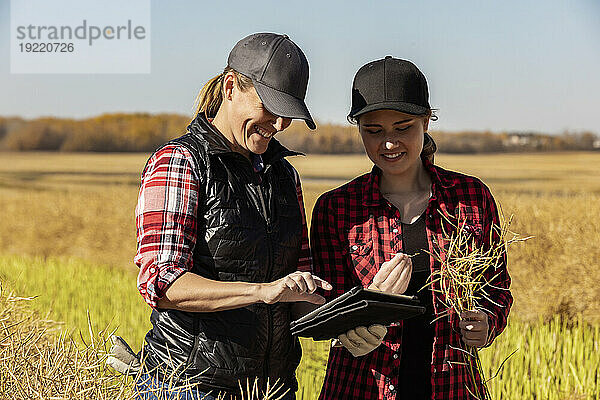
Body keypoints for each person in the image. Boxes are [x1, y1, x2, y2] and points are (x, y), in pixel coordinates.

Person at [133, 33, 331, 400]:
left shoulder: (285, 176)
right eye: (269, 107)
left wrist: (354, 312)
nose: (279, 124)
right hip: (189, 387)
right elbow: (162, 284)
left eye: (287, 114)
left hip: (272, 388)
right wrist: (262, 292)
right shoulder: (181, 162)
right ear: (230, 87)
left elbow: (298, 290)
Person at [310, 57, 513, 399]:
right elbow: (326, 307)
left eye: (403, 127)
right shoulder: (336, 208)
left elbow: (497, 288)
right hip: (361, 388)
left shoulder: (470, 199)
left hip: (452, 387)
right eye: (373, 131)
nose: (389, 143)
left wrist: (486, 323)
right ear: (358, 128)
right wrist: (364, 316)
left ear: (426, 122)